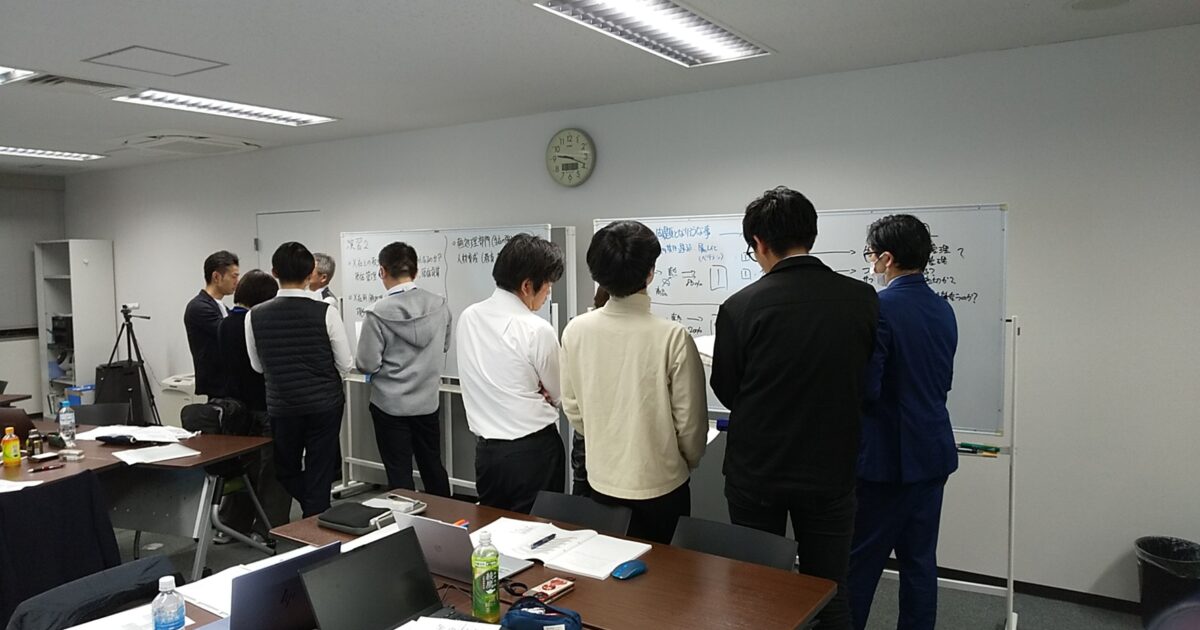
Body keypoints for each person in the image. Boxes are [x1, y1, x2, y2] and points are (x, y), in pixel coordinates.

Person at [711, 186, 879, 630]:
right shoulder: (862, 299)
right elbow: (865, 378)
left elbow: (727, 388)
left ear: (759, 243)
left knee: (756, 590)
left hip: (757, 471)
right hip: (830, 470)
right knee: (829, 591)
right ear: (811, 234)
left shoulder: (739, 307)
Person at [560, 221, 707, 543]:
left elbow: (573, 409)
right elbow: (691, 425)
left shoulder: (576, 331)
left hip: (602, 481)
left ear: (597, 275)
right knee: (667, 571)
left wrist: (607, 441)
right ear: (650, 273)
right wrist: (684, 460)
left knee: (607, 566)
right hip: (663, 485)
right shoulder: (673, 337)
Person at [849, 215, 958, 630]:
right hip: (932, 455)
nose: (871, 263)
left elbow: (868, 388)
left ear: (887, 258)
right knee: (919, 563)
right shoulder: (943, 308)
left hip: (885, 463)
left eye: (871, 255)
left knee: (860, 565)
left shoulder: (879, 308)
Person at [456, 233, 565, 513]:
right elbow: (560, 393)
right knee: (538, 529)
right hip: (534, 452)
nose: (548, 293)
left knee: (492, 525)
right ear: (527, 286)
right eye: (547, 285)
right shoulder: (536, 329)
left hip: (488, 454)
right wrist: (540, 390)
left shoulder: (469, 317)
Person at [245, 242, 352, 517]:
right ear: (309, 274)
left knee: (286, 469)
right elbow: (345, 363)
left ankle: (314, 511)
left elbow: (257, 367)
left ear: (274, 272)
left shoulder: (253, 315)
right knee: (320, 469)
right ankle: (317, 512)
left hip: (283, 405)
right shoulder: (326, 311)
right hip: (324, 405)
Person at [355, 241, 452, 496]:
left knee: (398, 472)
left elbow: (366, 363)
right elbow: (444, 345)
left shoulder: (376, 313)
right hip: (427, 402)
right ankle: (449, 515)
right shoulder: (440, 305)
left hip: (390, 405)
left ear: (382, 271)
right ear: (416, 271)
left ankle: (405, 519)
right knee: (432, 465)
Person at [217, 269, 293, 536]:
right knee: (273, 470)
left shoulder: (225, 324)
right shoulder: (258, 323)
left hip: (236, 409)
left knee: (243, 469)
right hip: (265, 404)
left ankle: (231, 525)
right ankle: (269, 527)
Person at [569, 286, 610, 498]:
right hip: (616, 438)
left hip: (586, 432)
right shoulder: (644, 333)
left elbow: (569, 397)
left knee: (582, 497)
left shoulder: (578, 330)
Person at [184, 251, 239, 397]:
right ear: (216, 277)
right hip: (217, 387)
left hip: (228, 385)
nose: (237, 282)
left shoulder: (221, 306)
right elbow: (229, 334)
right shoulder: (199, 307)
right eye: (234, 276)